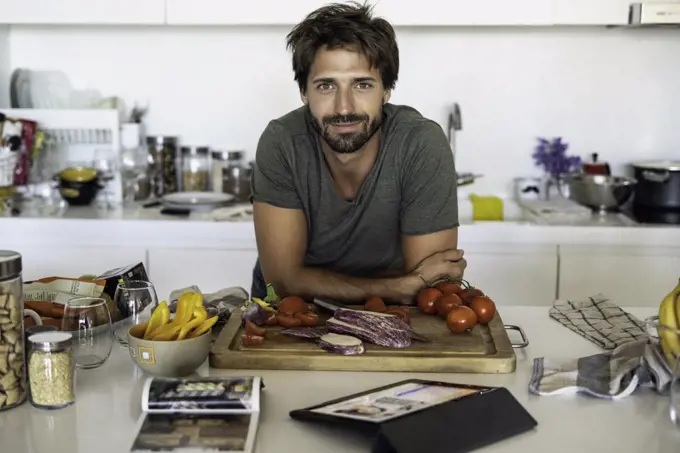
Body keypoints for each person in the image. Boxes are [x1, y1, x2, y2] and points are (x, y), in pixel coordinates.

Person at [249, 1, 466, 304]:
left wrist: (314, 279)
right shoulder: (282, 142)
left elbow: (431, 285)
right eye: (326, 86)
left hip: (392, 314)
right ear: (303, 93)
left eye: (362, 85)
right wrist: (399, 286)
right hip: (292, 313)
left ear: (386, 90)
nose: (344, 108)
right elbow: (284, 281)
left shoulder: (421, 143)